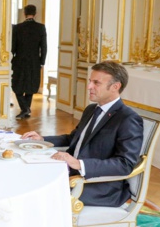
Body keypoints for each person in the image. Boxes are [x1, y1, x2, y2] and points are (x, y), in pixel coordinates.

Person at [21, 61, 144, 207]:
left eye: (96, 83)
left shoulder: (127, 119)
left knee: (37, 193)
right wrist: (41, 140)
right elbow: (74, 138)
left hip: (100, 187)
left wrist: (79, 163)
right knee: (26, 176)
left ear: (115, 87)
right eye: (90, 81)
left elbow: (125, 164)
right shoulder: (91, 109)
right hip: (71, 173)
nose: (89, 87)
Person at [11, 4, 47, 119]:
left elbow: (13, 47)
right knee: (31, 85)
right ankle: (26, 109)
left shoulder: (17, 28)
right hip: (34, 61)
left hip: (19, 60)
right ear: (35, 14)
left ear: (24, 13)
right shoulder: (41, 27)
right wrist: (42, 62)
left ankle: (25, 109)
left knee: (17, 86)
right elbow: (44, 47)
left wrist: (12, 59)